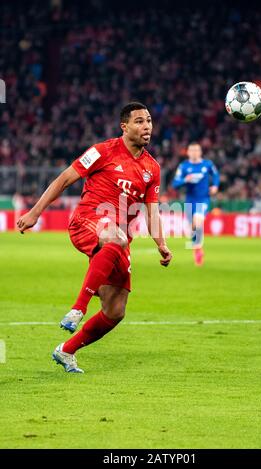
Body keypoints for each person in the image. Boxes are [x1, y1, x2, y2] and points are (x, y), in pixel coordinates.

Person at [17, 102, 172, 373]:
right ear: (124, 127)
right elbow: (64, 179)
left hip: (116, 239)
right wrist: (35, 213)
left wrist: (162, 244)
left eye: (148, 121)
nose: (146, 126)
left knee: (115, 310)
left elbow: (152, 211)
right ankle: (78, 308)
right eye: (139, 121)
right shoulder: (102, 151)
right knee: (117, 238)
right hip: (87, 221)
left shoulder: (152, 168)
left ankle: (66, 351)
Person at [172, 142, 219, 265]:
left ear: (200, 152)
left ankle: (198, 246)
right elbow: (175, 184)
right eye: (192, 150)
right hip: (189, 200)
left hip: (203, 199)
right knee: (192, 228)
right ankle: (197, 248)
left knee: (197, 221)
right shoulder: (183, 166)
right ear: (188, 152)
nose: (194, 152)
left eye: (196, 150)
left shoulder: (207, 164)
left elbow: (216, 175)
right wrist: (184, 180)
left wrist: (215, 186)